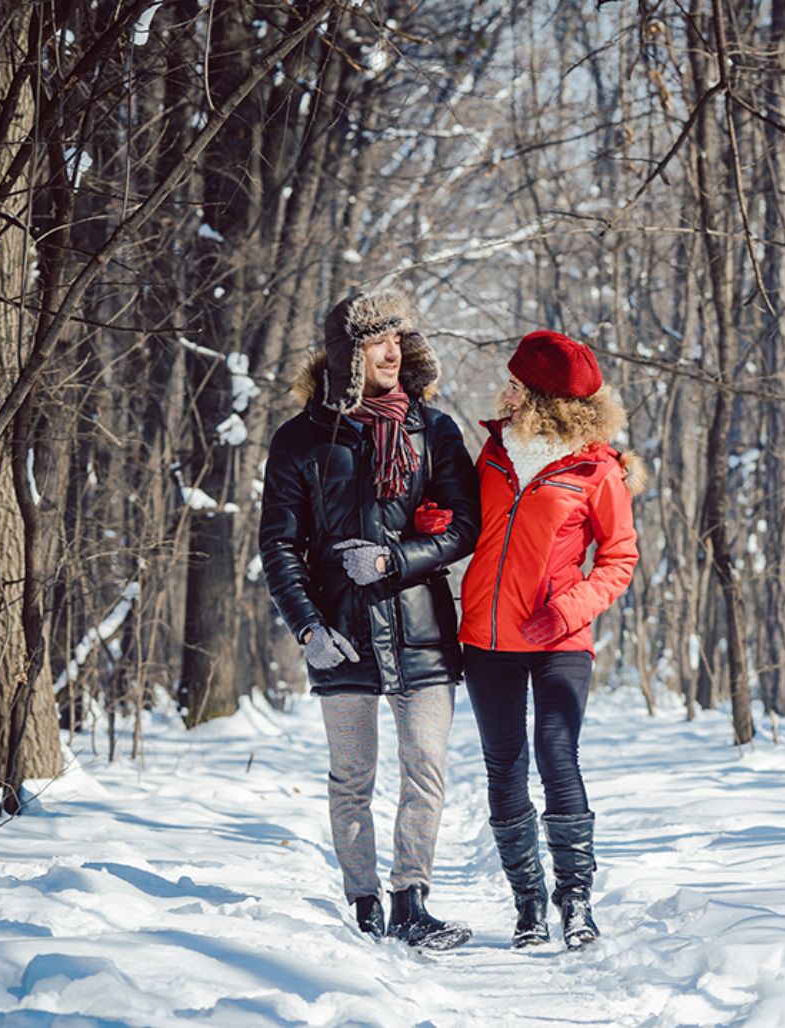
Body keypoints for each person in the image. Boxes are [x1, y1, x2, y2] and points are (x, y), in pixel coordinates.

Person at [259, 287, 479, 950]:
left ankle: (412, 901)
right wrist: (307, 626)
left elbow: (467, 525)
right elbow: (278, 542)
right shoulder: (301, 438)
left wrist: (395, 560)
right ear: (345, 353)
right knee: (351, 777)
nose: (393, 350)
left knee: (425, 769)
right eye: (377, 339)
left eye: (399, 338)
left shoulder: (432, 428)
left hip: (421, 629)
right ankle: (363, 906)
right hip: (341, 632)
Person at [459, 330, 644, 951]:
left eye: (515, 382)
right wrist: (438, 521)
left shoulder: (596, 469)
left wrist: (568, 610)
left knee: (557, 755)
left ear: (540, 397)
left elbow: (619, 559)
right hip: (486, 637)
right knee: (504, 767)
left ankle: (577, 904)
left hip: (560, 638)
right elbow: (466, 527)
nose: (503, 389)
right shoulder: (491, 454)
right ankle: (528, 907)